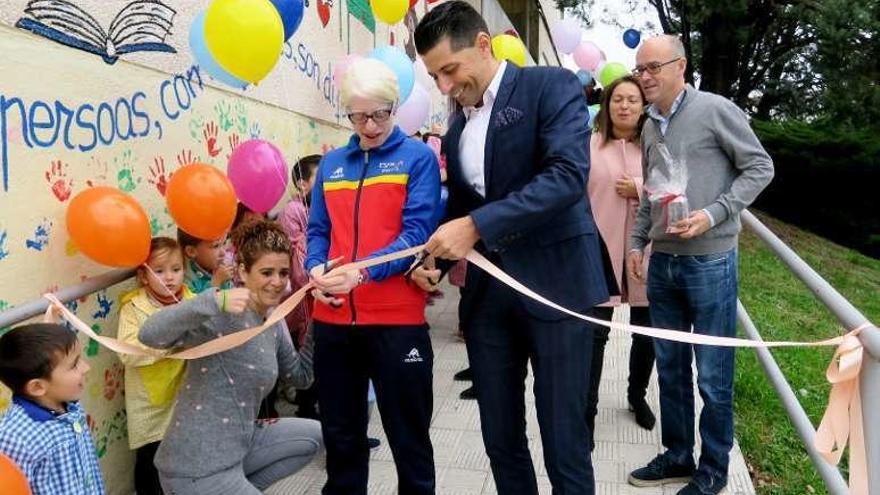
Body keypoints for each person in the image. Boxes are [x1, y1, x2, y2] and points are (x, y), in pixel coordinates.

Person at [412, 3, 617, 493]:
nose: (443, 86)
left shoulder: (551, 86)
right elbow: (464, 202)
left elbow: (566, 176)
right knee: (499, 438)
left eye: (449, 70)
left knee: (564, 443)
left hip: (558, 289)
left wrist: (477, 226)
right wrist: (435, 261)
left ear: (482, 45)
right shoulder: (458, 123)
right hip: (488, 299)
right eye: (433, 75)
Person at [626, 35, 773, 495]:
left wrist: (714, 213)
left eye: (653, 67)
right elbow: (652, 190)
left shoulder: (715, 110)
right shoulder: (650, 125)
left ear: (680, 66)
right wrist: (636, 242)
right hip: (664, 262)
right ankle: (677, 455)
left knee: (712, 373)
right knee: (669, 367)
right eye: (639, 69)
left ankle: (712, 471)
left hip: (710, 261)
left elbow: (760, 167)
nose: (645, 77)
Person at [305, 57, 441, 495]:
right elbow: (318, 230)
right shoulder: (331, 165)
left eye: (379, 114)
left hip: (397, 322)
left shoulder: (417, 158)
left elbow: (415, 236)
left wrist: (359, 274)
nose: (368, 125)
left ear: (395, 107)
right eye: (358, 115)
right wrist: (315, 269)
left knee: (409, 440)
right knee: (341, 439)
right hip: (333, 322)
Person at [139, 220, 322, 495]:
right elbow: (149, 335)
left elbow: (301, 377)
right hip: (195, 466)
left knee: (314, 436)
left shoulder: (274, 319)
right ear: (242, 272)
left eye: (283, 273)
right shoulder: (222, 314)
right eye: (266, 272)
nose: (277, 282)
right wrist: (212, 301)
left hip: (239, 445)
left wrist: (321, 318)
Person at [585, 75, 656, 453]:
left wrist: (641, 187)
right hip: (599, 253)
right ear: (607, 106)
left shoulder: (656, 147)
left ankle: (637, 394)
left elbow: (675, 187)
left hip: (646, 254)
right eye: (617, 100)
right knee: (595, 335)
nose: (624, 106)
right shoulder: (590, 145)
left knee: (647, 333)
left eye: (632, 100)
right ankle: (587, 412)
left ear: (643, 107)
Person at [117, 237, 194, 494]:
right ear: (144, 276)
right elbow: (127, 352)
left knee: (183, 455)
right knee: (151, 460)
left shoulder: (192, 301)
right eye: (159, 271)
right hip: (150, 402)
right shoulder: (133, 307)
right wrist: (168, 344)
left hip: (185, 395)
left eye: (176, 269)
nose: (169, 278)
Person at [0, 322, 105, 495]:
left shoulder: (68, 405)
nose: (86, 368)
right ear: (37, 387)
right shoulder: (16, 438)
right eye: (74, 365)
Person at [278, 154, 322, 420]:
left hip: (321, 290)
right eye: (319, 178)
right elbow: (297, 264)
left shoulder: (319, 207)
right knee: (308, 351)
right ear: (302, 184)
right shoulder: (293, 211)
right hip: (304, 295)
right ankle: (306, 407)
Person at [178, 229, 234, 294]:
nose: (223, 253)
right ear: (191, 251)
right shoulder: (187, 279)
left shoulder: (218, 267)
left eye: (224, 243)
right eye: (216, 246)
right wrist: (216, 283)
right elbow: (196, 303)